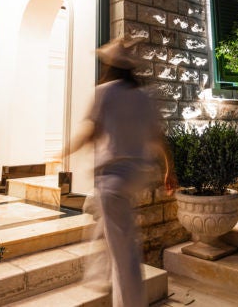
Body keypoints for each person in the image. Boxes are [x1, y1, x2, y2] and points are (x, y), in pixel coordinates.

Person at [68, 37, 176, 307]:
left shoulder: (104, 92)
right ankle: (99, 269)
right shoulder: (142, 97)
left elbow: (91, 131)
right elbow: (158, 137)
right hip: (134, 176)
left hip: (113, 178)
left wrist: (65, 151)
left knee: (124, 253)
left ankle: (127, 299)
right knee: (107, 221)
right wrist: (169, 169)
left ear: (110, 64)